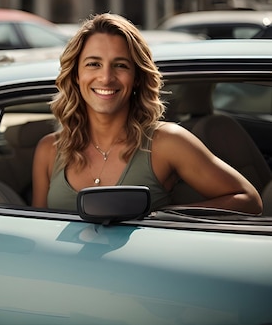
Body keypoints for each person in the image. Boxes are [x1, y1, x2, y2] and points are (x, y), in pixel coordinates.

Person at [32, 13, 262, 214]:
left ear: (137, 78)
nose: (106, 78)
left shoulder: (167, 142)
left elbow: (248, 200)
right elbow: (35, 231)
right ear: (75, 75)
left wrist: (165, 218)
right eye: (93, 64)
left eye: (120, 65)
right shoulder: (49, 151)